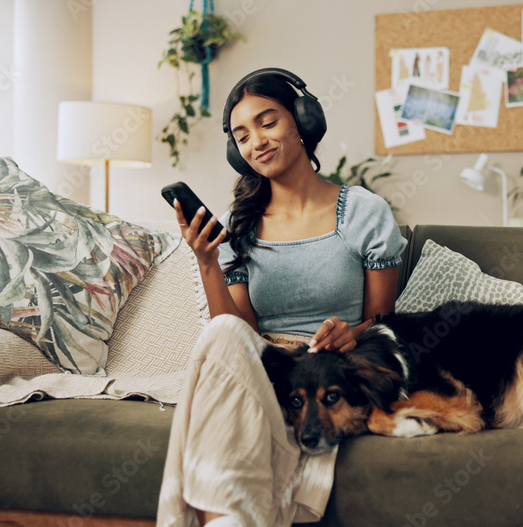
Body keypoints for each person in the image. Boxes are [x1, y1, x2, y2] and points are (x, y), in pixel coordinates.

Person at [156, 68, 406, 527]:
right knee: (224, 332)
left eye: (267, 122)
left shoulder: (364, 212)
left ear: (302, 122)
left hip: (323, 366)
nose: (257, 142)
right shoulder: (240, 223)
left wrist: (349, 333)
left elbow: (383, 320)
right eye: (242, 135)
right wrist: (207, 261)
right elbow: (235, 330)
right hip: (264, 361)